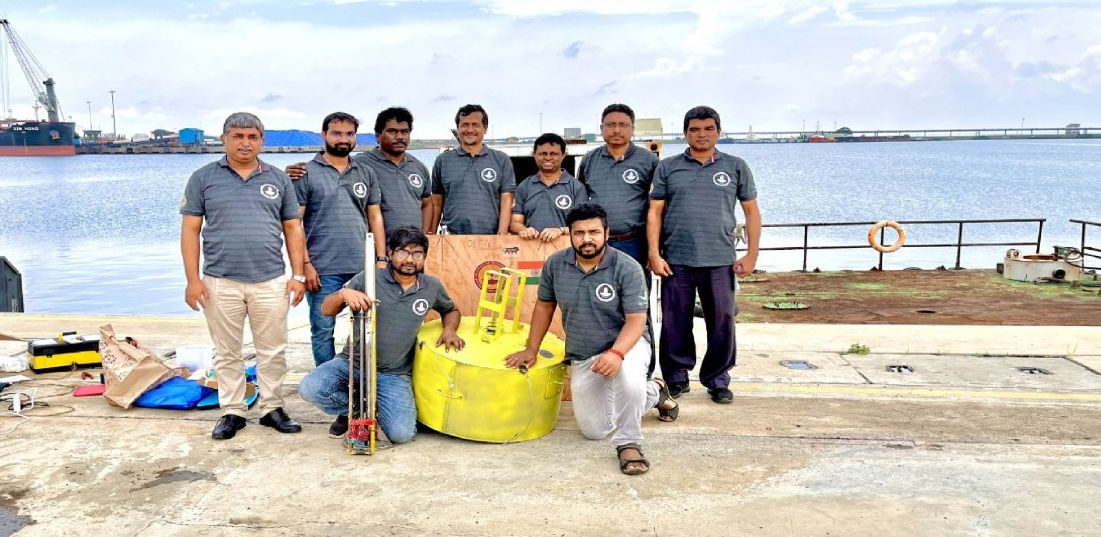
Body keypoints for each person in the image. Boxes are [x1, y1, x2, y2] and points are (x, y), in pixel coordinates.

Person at [505, 203, 678, 476]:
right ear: (570, 235)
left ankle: (629, 442)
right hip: (583, 352)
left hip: (626, 345)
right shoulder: (555, 264)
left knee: (630, 380)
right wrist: (531, 348)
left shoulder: (627, 267)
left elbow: (636, 320)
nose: (587, 239)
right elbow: (544, 306)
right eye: (579, 232)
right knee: (594, 431)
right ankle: (654, 393)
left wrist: (617, 354)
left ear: (606, 233)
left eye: (594, 232)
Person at [180, 112, 307, 440]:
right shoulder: (203, 178)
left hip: (271, 280)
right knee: (226, 351)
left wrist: (299, 276)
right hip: (220, 281)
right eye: (238, 136)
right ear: (224, 139)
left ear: (261, 141)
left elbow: (293, 228)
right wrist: (193, 280)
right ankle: (233, 410)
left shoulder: (278, 179)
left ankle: (271, 408)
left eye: (252, 137)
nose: (245, 143)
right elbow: (190, 230)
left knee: (273, 349)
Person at [298, 226, 465, 445]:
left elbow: (451, 310)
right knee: (310, 387)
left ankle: (371, 407)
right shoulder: (368, 279)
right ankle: (356, 411)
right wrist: (343, 293)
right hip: (352, 363)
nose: (410, 259)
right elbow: (327, 310)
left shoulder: (431, 286)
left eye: (417, 254)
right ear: (390, 253)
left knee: (401, 434)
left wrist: (449, 330)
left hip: (394, 373)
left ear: (424, 257)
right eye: (403, 252)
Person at [647, 106, 761, 404]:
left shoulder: (736, 166)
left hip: (721, 259)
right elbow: (655, 212)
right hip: (676, 259)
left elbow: (751, 212)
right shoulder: (668, 167)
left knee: (722, 321)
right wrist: (654, 254)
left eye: (708, 128)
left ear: (718, 132)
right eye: (695, 129)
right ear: (685, 133)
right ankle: (676, 377)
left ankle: (718, 379)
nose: (701, 134)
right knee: (675, 322)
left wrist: (751, 254)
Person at [294, 112, 387, 367]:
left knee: (365, 331)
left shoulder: (365, 172)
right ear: (324, 135)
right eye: (337, 133)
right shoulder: (305, 173)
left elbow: (375, 217)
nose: (343, 139)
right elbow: (294, 224)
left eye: (349, 133)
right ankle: (328, 387)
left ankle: (359, 385)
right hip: (322, 270)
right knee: (323, 332)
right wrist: (305, 264)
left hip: (361, 267)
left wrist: (381, 260)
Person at [577, 103, 658, 266]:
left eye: (623, 125)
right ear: (601, 128)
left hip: (635, 242)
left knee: (635, 290)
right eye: (611, 124)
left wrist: (654, 249)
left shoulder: (649, 161)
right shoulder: (589, 160)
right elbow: (580, 203)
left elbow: (658, 207)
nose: (616, 130)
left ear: (632, 129)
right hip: (596, 242)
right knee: (596, 289)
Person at [430, 104, 516, 234]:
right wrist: (431, 234)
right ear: (458, 128)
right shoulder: (443, 161)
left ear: (485, 128)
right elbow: (436, 202)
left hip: (490, 237)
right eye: (464, 125)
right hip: (451, 238)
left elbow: (506, 199)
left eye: (475, 125)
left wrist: (502, 233)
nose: (469, 129)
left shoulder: (501, 159)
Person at [509, 133, 588, 242]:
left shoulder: (577, 187)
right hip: (531, 250)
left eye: (553, 154)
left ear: (563, 155)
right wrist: (524, 230)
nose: (548, 158)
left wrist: (560, 230)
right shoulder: (524, 186)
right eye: (543, 153)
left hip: (565, 250)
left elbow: (583, 225)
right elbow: (515, 222)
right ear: (534, 154)